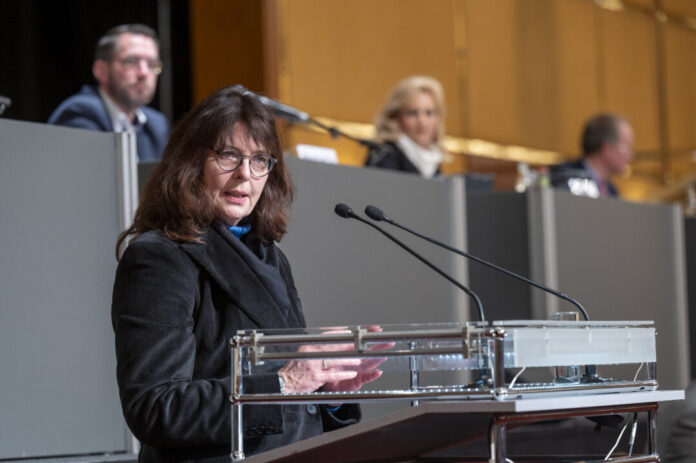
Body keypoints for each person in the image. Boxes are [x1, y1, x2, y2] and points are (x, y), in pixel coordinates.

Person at [111, 86, 384, 462]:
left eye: (260, 160)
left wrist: (328, 391)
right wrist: (286, 384)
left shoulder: (269, 254)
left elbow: (290, 393)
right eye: (229, 156)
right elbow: (155, 407)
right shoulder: (160, 258)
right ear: (190, 163)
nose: (245, 174)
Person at [48, 24, 169, 161]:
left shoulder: (156, 124)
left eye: (152, 64)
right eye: (131, 62)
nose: (144, 73)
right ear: (101, 70)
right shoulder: (80, 114)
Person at [364, 75, 447, 178]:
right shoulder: (384, 157)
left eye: (429, 113)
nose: (422, 121)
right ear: (395, 117)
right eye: (412, 113)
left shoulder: (434, 165)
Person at [551, 113, 634, 198]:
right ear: (607, 150)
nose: (631, 156)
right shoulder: (564, 177)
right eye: (626, 148)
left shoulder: (612, 191)